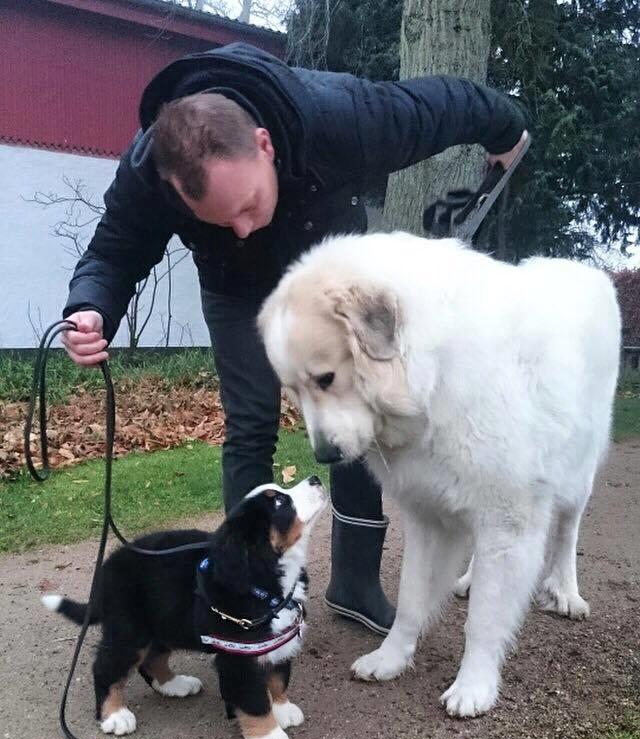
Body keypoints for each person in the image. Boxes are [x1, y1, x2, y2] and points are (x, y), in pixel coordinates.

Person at [61, 42, 528, 635]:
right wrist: (90, 308)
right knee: (251, 423)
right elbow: (115, 248)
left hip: (326, 290)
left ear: (264, 144)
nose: (243, 228)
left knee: (356, 414)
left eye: (249, 204)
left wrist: (507, 131)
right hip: (235, 295)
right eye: (220, 218)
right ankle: (246, 589)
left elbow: (440, 106)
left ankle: (356, 582)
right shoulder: (150, 173)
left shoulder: (339, 116)